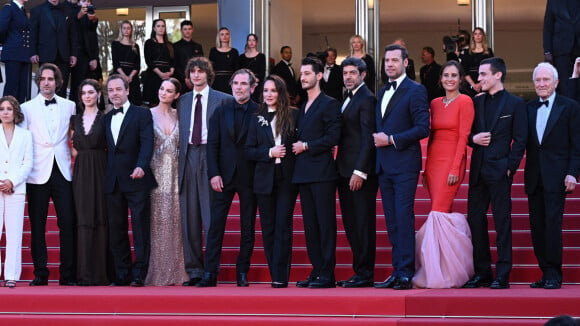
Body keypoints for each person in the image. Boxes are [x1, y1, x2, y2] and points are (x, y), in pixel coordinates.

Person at [463, 57, 527, 290]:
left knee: (502, 222)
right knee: (475, 221)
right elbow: (468, 134)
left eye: (483, 74)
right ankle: (482, 272)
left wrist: (510, 166)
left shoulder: (515, 104)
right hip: (478, 170)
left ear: (497, 75)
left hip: (500, 170)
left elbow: (520, 140)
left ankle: (503, 273)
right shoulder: (476, 102)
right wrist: (473, 139)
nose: (479, 79)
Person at [413, 61, 475, 289]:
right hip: (433, 164)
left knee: (438, 212)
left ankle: (445, 272)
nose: (450, 79)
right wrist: (425, 168)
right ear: (440, 79)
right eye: (446, 75)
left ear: (460, 79)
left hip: (452, 162)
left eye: (454, 75)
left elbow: (463, 137)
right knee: (438, 213)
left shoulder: (466, 101)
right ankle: (441, 266)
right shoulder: (435, 103)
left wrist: (454, 168)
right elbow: (430, 139)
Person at [373, 43, 430, 290]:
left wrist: (392, 140)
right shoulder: (383, 90)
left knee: (403, 218)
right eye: (387, 60)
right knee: (392, 221)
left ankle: (406, 271)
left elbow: (422, 128)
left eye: (394, 60)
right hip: (384, 166)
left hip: (405, 164)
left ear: (405, 63)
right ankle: (398, 271)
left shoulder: (415, 90)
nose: (389, 64)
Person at [197, 69, 258, 287]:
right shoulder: (220, 111)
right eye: (236, 83)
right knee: (215, 226)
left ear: (252, 87)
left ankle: (243, 272)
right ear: (231, 86)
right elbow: (212, 146)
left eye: (244, 83)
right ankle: (209, 273)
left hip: (250, 177)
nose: (239, 87)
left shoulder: (260, 112)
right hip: (222, 176)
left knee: (247, 227)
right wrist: (213, 173)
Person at [177, 57, 233, 286]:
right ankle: (194, 271)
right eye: (193, 72)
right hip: (188, 155)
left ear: (208, 74)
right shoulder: (182, 101)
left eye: (201, 71)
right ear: (189, 76)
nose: (196, 75)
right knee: (189, 218)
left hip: (211, 157)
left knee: (211, 218)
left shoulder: (224, 100)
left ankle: (211, 270)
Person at [525, 62, 580, 290]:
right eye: (538, 80)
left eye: (546, 80)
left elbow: (577, 145)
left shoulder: (570, 107)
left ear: (556, 83)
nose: (541, 84)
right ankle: (544, 270)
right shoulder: (527, 107)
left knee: (552, 224)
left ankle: (554, 273)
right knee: (537, 226)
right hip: (534, 176)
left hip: (558, 176)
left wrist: (572, 173)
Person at [21, 63, 77, 286]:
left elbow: (75, 137)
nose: (46, 82)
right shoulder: (26, 108)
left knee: (68, 222)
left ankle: (68, 274)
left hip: (63, 170)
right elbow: (23, 141)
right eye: (43, 79)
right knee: (37, 224)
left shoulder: (70, 105)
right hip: (37, 171)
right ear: (38, 82)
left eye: (51, 79)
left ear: (58, 82)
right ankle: (40, 273)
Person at [245, 74, 299, 288]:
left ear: (280, 93)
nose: (269, 94)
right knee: (268, 226)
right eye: (266, 90)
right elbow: (249, 150)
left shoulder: (293, 115)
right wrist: (269, 152)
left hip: (287, 178)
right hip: (264, 179)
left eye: (273, 90)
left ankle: (281, 275)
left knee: (282, 225)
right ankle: (274, 271)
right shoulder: (256, 118)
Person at [293, 56, 341, 289]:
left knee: (324, 224)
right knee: (310, 225)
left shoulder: (329, 103)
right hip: (303, 173)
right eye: (301, 74)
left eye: (307, 74)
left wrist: (307, 146)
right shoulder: (303, 106)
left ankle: (327, 274)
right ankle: (317, 269)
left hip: (323, 173)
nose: (303, 78)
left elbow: (334, 136)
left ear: (319, 76)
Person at [104, 74, 156, 287]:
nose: (114, 93)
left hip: (137, 179)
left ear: (127, 90)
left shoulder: (141, 114)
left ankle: (139, 274)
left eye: (118, 89)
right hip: (113, 181)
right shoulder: (106, 118)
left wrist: (141, 166)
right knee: (116, 229)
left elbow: (147, 142)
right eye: (111, 90)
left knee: (140, 228)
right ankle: (122, 273)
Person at [335, 57, 377, 288]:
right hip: (343, 170)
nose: (348, 77)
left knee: (362, 224)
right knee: (352, 223)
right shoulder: (348, 98)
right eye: (345, 73)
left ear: (363, 74)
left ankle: (365, 273)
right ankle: (359, 271)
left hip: (358, 173)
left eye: (352, 73)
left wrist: (360, 171)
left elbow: (368, 138)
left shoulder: (367, 99)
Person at [145, 78, 189, 286]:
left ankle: (179, 271)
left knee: (177, 220)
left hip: (178, 175)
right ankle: (157, 272)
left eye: (169, 90)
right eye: (162, 88)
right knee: (158, 221)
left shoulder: (180, 115)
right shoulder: (147, 114)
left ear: (176, 95)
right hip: (155, 175)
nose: (163, 93)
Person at [70, 79, 109, 286]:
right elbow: (70, 147)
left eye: (91, 92)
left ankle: (101, 273)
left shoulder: (106, 118)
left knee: (101, 216)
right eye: (84, 92)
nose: (87, 96)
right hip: (81, 171)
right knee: (83, 216)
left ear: (98, 95)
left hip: (101, 170)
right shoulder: (74, 120)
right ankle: (83, 273)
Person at [0, 96, 33, 288]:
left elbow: (27, 163)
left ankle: (11, 275)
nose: (5, 112)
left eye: (9, 109)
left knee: (14, 233)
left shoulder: (25, 135)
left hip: (16, 189)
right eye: (2, 109)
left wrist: (11, 181)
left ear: (15, 112)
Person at [29, 0, 78, 99]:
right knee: (44, 87)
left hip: (64, 55)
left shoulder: (69, 10)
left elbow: (73, 34)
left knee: (62, 87)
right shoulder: (37, 10)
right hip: (46, 54)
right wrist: (33, 52)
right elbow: (33, 34)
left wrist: (74, 54)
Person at [543, 0, 580, 98]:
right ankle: (569, 112)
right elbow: (548, 27)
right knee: (565, 88)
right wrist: (547, 52)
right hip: (561, 53)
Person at [0, 0, 33, 103]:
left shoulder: (22, 10)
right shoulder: (9, 8)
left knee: (22, 90)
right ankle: (5, 114)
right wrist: (6, 44)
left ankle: (18, 117)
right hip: (13, 53)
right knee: (12, 88)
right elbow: (1, 29)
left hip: (23, 54)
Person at [69, 0, 98, 104]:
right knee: (72, 85)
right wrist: (79, 15)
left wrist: (94, 57)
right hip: (71, 53)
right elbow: (69, 27)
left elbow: (93, 36)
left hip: (86, 55)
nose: (86, 4)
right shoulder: (70, 10)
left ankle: (83, 111)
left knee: (84, 85)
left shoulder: (89, 14)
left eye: (88, 2)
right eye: (84, 1)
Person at [143, 19, 174, 107]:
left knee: (166, 102)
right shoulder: (149, 43)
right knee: (153, 103)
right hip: (153, 75)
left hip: (167, 75)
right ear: (154, 28)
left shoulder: (170, 45)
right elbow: (149, 60)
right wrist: (160, 73)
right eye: (158, 26)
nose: (161, 28)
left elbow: (173, 61)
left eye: (163, 26)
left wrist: (171, 72)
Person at [111, 21, 142, 106]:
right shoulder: (115, 44)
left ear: (131, 30)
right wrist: (124, 76)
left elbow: (137, 64)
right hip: (119, 74)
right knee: (119, 101)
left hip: (132, 77)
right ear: (121, 30)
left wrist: (130, 77)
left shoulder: (135, 46)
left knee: (133, 102)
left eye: (128, 28)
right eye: (124, 28)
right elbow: (115, 62)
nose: (126, 30)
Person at [173, 20, 204, 94]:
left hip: (195, 80)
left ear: (192, 30)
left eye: (189, 29)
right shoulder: (175, 46)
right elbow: (175, 64)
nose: (187, 31)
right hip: (180, 80)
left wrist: (193, 78)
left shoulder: (198, 46)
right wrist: (186, 78)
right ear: (181, 30)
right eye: (185, 29)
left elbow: (201, 64)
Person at [461, 27, 494, 97]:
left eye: (480, 34)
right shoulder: (467, 52)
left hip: (485, 82)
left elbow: (491, 68)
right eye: (475, 34)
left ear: (483, 36)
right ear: (473, 36)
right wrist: (473, 84)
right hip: (470, 83)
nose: (478, 36)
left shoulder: (488, 52)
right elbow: (464, 70)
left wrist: (480, 84)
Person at [209, 27, 239, 95]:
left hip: (230, 81)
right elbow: (210, 68)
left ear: (229, 36)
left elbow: (236, 69)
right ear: (219, 37)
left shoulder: (234, 52)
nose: (224, 36)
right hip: (217, 80)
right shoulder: (213, 51)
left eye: (227, 34)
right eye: (222, 34)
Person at [239, 33, 266, 102]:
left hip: (257, 85)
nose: (251, 42)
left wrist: (254, 80)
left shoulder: (261, 56)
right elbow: (240, 71)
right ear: (247, 42)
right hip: (245, 84)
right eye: (249, 40)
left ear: (256, 42)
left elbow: (262, 72)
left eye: (253, 40)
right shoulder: (241, 57)